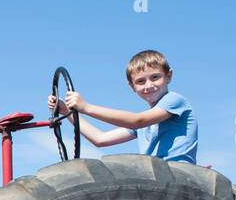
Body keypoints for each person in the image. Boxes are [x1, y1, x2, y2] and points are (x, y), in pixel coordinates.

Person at [48, 49, 197, 164]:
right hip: (156, 176)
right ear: (132, 87)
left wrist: (86, 107)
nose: (149, 85)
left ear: (168, 76)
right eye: (140, 81)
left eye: (155, 77)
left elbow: (137, 120)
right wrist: (66, 111)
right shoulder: (145, 124)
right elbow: (100, 139)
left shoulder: (175, 100)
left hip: (178, 174)